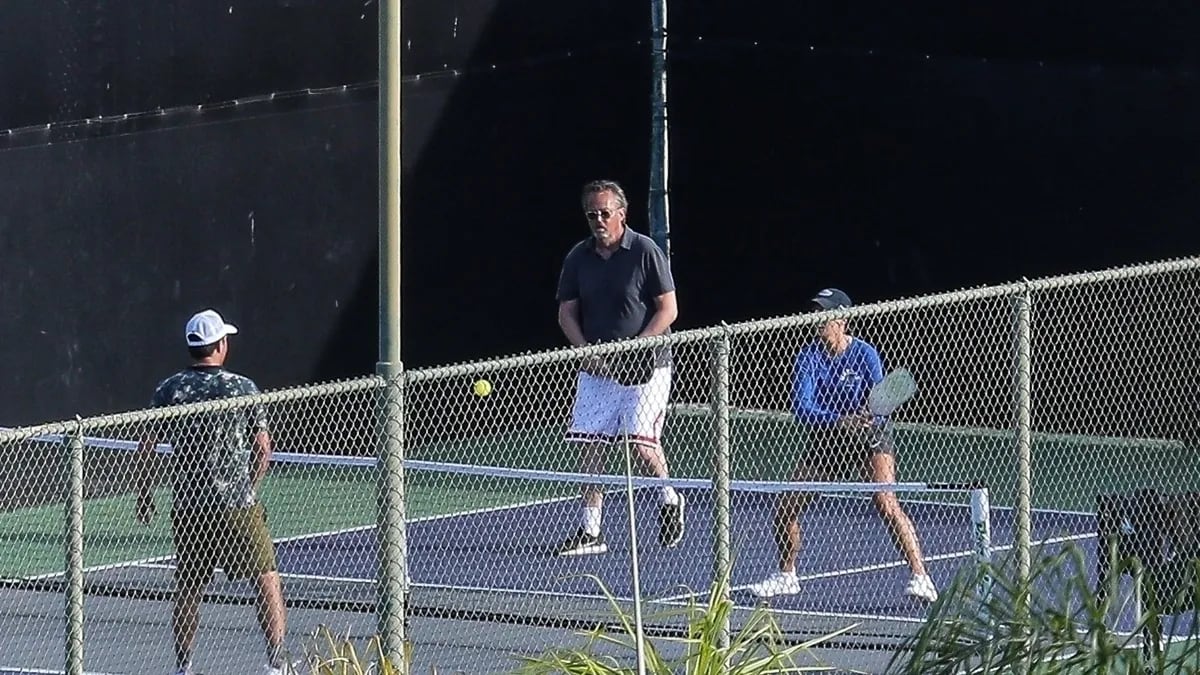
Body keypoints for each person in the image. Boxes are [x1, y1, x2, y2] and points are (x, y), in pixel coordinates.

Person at [748, 288, 938, 603]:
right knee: (786, 507)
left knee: (886, 504)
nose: (817, 318)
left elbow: (884, 398)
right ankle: (786, 575)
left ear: (842, 319)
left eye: (825, 313)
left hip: (869, 438)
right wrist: (839, 420)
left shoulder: (865, 354)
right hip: (829, 437)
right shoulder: (807, 357)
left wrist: (869, 420)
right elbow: (802, 407)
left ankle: (921, 577)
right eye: (815, 312)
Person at [135, 309, 290, 675]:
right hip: (238, 506)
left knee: (189, 584)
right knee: (266, 578)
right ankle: (276, 664)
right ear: (220, 345)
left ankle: (184, 667)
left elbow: (146, 446)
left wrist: (144, 494)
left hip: (189, 507)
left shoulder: (168, 389)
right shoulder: (243, 388)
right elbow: (263, 448)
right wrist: (249, 487)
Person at [553, 179, 683, 555]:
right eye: (591, 214)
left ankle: (669, 498)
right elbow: (566, 312)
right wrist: (585, 353)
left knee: (641, 445)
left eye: (604, 213)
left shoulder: (645, 251)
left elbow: (668, 309)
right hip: (598, 370)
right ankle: (591, 532)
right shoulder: (578, 257)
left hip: (648, 367)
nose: (598, 221)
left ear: (621, 214)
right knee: (590, 447)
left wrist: (639, 346)